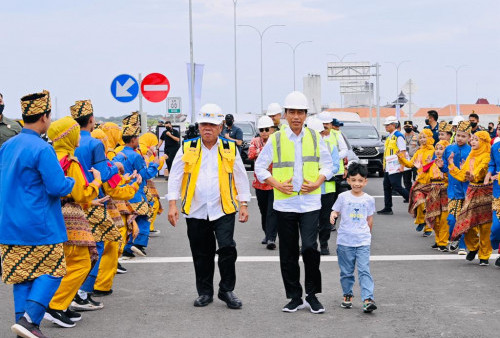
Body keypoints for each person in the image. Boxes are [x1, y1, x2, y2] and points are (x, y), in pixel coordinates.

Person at [0, 90, 75, 337]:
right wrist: (71, 182)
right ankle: (30, 319)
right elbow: (57, 187)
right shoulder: (43, 149)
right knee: (54, 271)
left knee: (22, 276)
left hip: (9, 225)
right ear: (44, 117)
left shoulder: (7, 145)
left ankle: (23, 325)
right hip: (39, 225)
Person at [255, 91, 334, 314]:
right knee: (288, 252)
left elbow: (328, 166)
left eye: (300, 112)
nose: (296, 116)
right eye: (292, 112)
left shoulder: (316, 137)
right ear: (285, 115)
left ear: (306, 115)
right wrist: (276, 184)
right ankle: (294, 296)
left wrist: (318, 181)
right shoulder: (276, 138)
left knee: (310, 248)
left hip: (310, 203)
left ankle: (312, 295)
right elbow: (260, 168)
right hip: (285, 205)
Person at [167, 104, 251, 310]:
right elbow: (176, 175)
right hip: (195, 210)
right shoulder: (188, 147)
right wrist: (172, 204)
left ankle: (227, 290)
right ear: (198, 125)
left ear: (220, 127)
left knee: (227, 249)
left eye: (212, 125)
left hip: (223, 208)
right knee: (201, 253)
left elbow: (240, 176)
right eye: (204, 124)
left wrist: (244, 203)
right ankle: (204, 292)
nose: (208, 128)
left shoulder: (229, 148)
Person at [44, 117, 102, 328]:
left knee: (65, 263)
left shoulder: (49, 156)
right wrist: (96, 182)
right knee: (81, 263)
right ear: (69, 135)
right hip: (71, 216)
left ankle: (62, 303)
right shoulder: (71, 161)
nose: (80, 136)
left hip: (53, 213)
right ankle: (56, 305)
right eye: (76, 132)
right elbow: (80, 194)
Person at [330, 163, 377, 313]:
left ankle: (368, 299)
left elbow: (370, 219)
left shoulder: (369, 199)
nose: (357, 183)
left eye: (360, 180)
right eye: (354, 180)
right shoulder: (343, 197)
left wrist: (368, 236)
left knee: (364, 270)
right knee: (346, 272)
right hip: (345, 241)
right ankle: (347, 294)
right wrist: (333, 215)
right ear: (348, 180)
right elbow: (335, 210)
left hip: (362, 241)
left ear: (365, 181)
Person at [445, 131, 493, 266]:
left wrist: (474, 176)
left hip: (485, 193)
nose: (472, 142)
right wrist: (451, 165)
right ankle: (473, 247)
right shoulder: (471, 155)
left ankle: (484, 255)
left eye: (476, 140)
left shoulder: (487, 156)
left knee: (485, 225)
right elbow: (462, 176)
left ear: (483, 142)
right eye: (472, 139)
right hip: (471, 191)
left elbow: (482, 170)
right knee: (467, 222)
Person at [113, 125, 160, 258]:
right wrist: (155, 164)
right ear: (133, 139)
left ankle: (128, 246)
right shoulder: (135, 156)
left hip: (121, 193)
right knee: (144, 218)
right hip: (135, 193)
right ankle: (135, 245)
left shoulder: (119, 154)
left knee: (128, 222)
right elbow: (145, 174)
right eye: (137, 137)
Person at [437, 121, 471, 255]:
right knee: (451, 219)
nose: (460, 138)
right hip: (453, 190)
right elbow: (446, 168)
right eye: (458, 135)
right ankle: (455, 238)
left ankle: (462, 245)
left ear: (469, 137)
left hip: (468, 189)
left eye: (463, 136)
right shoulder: (449, 149)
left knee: (464, 219)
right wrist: (441, 166)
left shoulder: (472, 151)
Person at [398, 129, 435, 237]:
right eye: (421, 137)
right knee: (420, 202)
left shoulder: (434, 151)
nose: (423, 140)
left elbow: (437, 165)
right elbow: (410, 164)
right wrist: (401, 158)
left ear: (430, 138)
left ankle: (428, 228)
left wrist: (427, 165)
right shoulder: (418, 151)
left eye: (425, 137)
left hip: (431, 182)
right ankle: (421, 221)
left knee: (429, 206)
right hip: (420, 182)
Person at [248, 115, 278, 249]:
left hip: (274, 182)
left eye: (267, 129)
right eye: (262, 130)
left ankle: (272, 238)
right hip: (259, 182)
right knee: (264, 211)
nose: (264, 132)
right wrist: (262, 150)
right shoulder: (255, 141)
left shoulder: (277, 140)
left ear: (272, 129)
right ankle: (267, 234)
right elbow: (250, 155)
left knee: (272, 211)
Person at [315, 112, 340, 255]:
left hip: (327, 189)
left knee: (325, 221)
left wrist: (323, 174)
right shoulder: (303, 146)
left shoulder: (331, 147)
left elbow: (335, 166)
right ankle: (309, 244)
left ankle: (324, 244)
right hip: (309, 190)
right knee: (309, 221)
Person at [377, 116, 409, 215]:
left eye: (388, 125)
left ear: (394, 125)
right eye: (386, 125)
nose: (386, 127)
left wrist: (402, 166)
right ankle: (387, 208)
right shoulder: (389, 136)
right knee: (386, 186)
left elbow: (403, 151)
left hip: (396, 166)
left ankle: (414, 201)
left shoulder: (398, 136)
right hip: (388, 166)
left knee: (396, 186)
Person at [425, 140, 450, 251]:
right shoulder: (432, 163)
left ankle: (443, 242)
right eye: (437, 148)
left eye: (441, 148)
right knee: (435, 218)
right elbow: (425, 179)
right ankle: (438, 239)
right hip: (434, 192)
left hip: (445, 192)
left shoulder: (448, 163)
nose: (438, 151)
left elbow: (452, 177)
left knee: (444, 218)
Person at [485, 138, 500, 267]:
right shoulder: (495, 147)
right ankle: (495, 243)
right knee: (496, 227)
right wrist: (489, 174)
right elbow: (492, 164)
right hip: (498, 192)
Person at [403, 120, 419, 193]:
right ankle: (407, 195)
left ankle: (416, 194)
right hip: (406, 160)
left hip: (415, 160)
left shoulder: (417, 136)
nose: (407, 128)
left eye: (409, 126)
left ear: (412, 127)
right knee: (406, 179)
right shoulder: (402, 136)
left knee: (416, 178)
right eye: (406, 126)